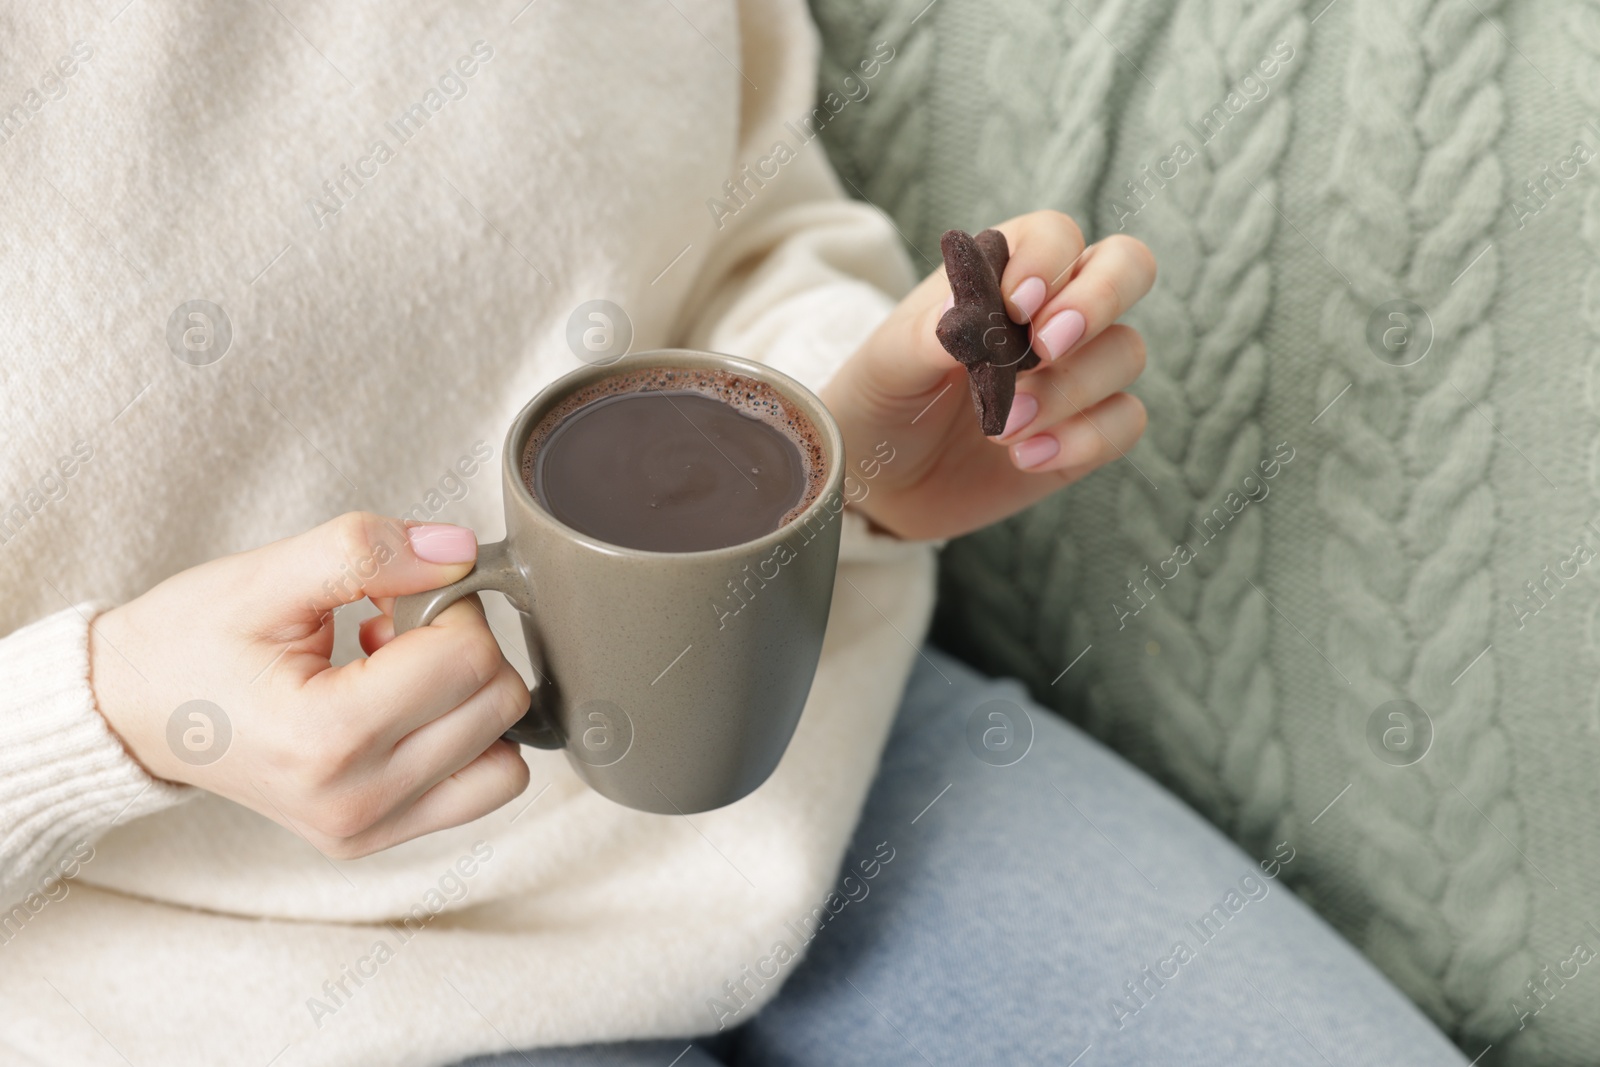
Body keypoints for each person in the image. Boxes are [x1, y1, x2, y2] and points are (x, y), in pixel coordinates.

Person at [0, 1, 1464, 1064]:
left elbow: (748, 225)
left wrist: (858, 444)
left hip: (833, 738)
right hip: (214, 974)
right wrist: (106, 719)